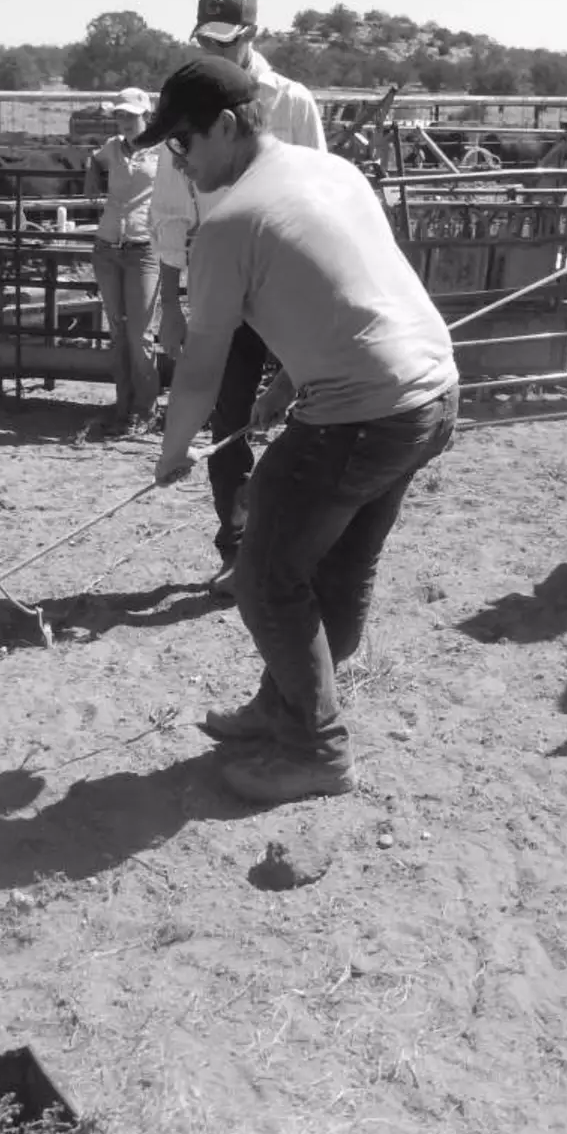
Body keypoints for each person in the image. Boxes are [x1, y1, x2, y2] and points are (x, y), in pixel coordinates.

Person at [143, 59, 459, 805]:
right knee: (337, 572)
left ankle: (317, 749)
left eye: (183, 143)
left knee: (263, 578)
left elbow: (199, 367)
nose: (178, 162)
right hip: (431, 396)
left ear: (226, 126)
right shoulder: (335, 171)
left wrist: (173, 450)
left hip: (360, 413)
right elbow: (350, 289)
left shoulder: (228, 224)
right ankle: (283, 707)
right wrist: (288, 380)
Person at [151, 0, 330, 598]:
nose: (213, 48)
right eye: (204, 39)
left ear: (252, 35)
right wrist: (169, 302)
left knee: (311, 408)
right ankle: (237, 546)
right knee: (227, 415)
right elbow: (172, 204)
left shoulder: (292, 102)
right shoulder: (189, 96)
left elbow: (318, 193)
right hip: (222, 279)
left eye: (223, 40)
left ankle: (289, 539)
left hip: (288, 280)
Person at [81, 87, 161, 439]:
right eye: (120, 115)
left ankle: (145, 409)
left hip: (144, 247)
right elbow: (94, 159)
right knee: (118, 331)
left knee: (139, 334)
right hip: (108, 245)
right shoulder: (112, 148)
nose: (125, 121)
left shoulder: (165, 150)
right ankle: (124, 405)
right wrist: (89, 173)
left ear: (146, 114)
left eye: (130, 115)